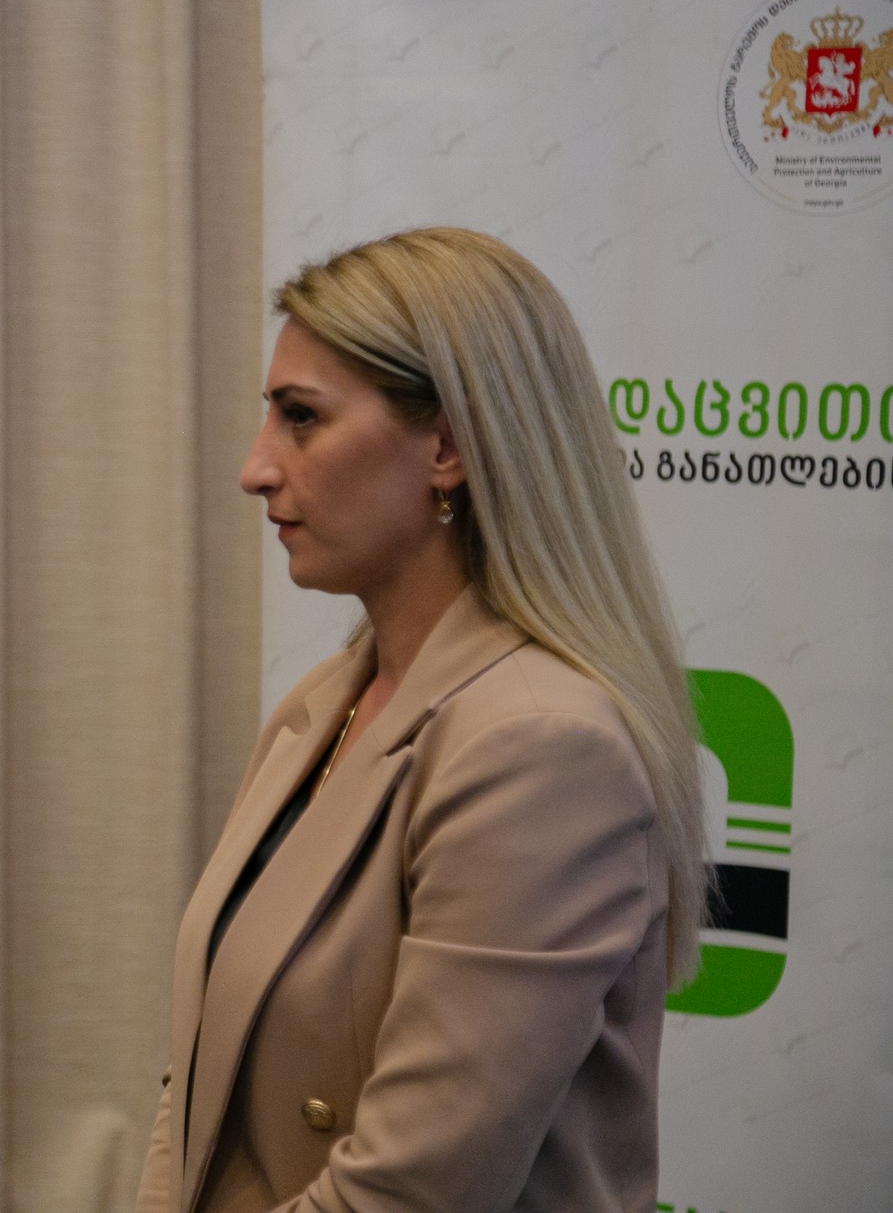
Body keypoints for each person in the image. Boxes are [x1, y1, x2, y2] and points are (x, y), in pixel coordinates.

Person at [138, 227, 703, 1211]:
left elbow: (412, 1190)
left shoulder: (541, 749)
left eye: (300, 418)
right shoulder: (320, 705)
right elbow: (193, 1092)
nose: (255, 468)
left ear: (446, 447)